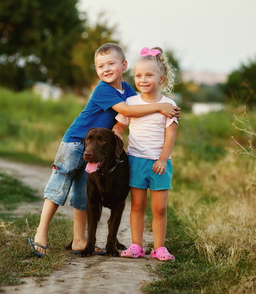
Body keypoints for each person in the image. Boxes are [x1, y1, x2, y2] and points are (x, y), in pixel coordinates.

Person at [28, 43, 181, 257]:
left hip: (98, 150)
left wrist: (158, 106)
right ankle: (40, 233)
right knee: (59, 187)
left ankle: (80, 240)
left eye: (111, 63)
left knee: (83, 194)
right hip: (76, 142)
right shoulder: (103, 89)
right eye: (100, 66)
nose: (106, 69)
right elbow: (127, 110)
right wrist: (159, 107)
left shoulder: (127, 90)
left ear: (124, 65)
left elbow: (131, 112)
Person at [113, 47, 178, 261]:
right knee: (138, 206)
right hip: (135, 162)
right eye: (139, 75)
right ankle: (136, 246)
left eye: (149, 75)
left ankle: (159, 248)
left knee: (159, 208)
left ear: (162, 78)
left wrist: (162, 158)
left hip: (160, 163)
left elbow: (170, 136)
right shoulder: (131, 103)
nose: (143, 79)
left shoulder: (170, 105)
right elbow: (120, 125)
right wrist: (115, 137)